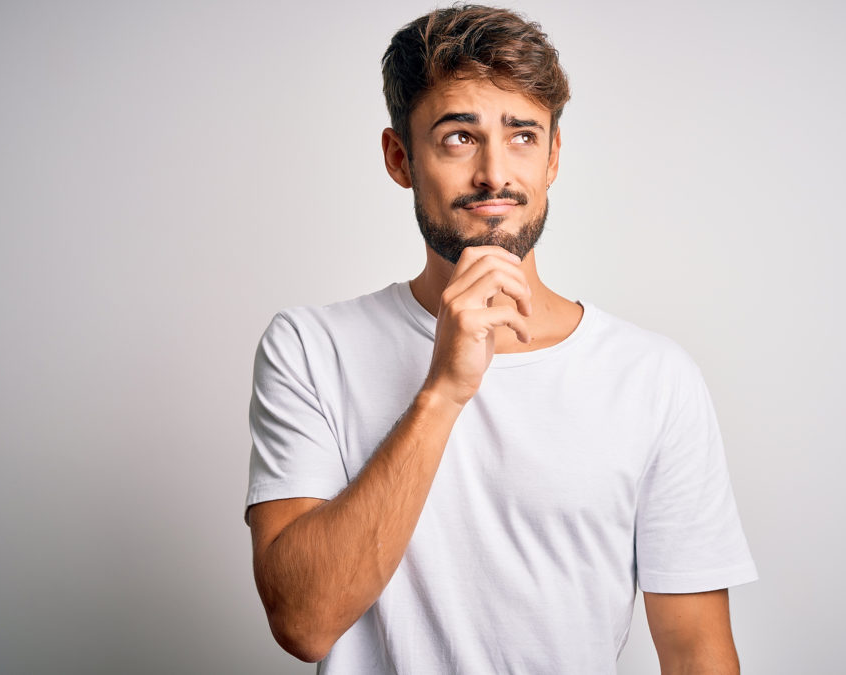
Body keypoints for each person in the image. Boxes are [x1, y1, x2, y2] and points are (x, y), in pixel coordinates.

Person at [244, 4, 757, 672]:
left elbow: (696, 651)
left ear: (553, 158)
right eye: (459, 137)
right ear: (400, 157)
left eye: (522, 136)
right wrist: (443, 391)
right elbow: (303, 622)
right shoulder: (311, 348)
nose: (494, 173)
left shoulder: (653, 377)